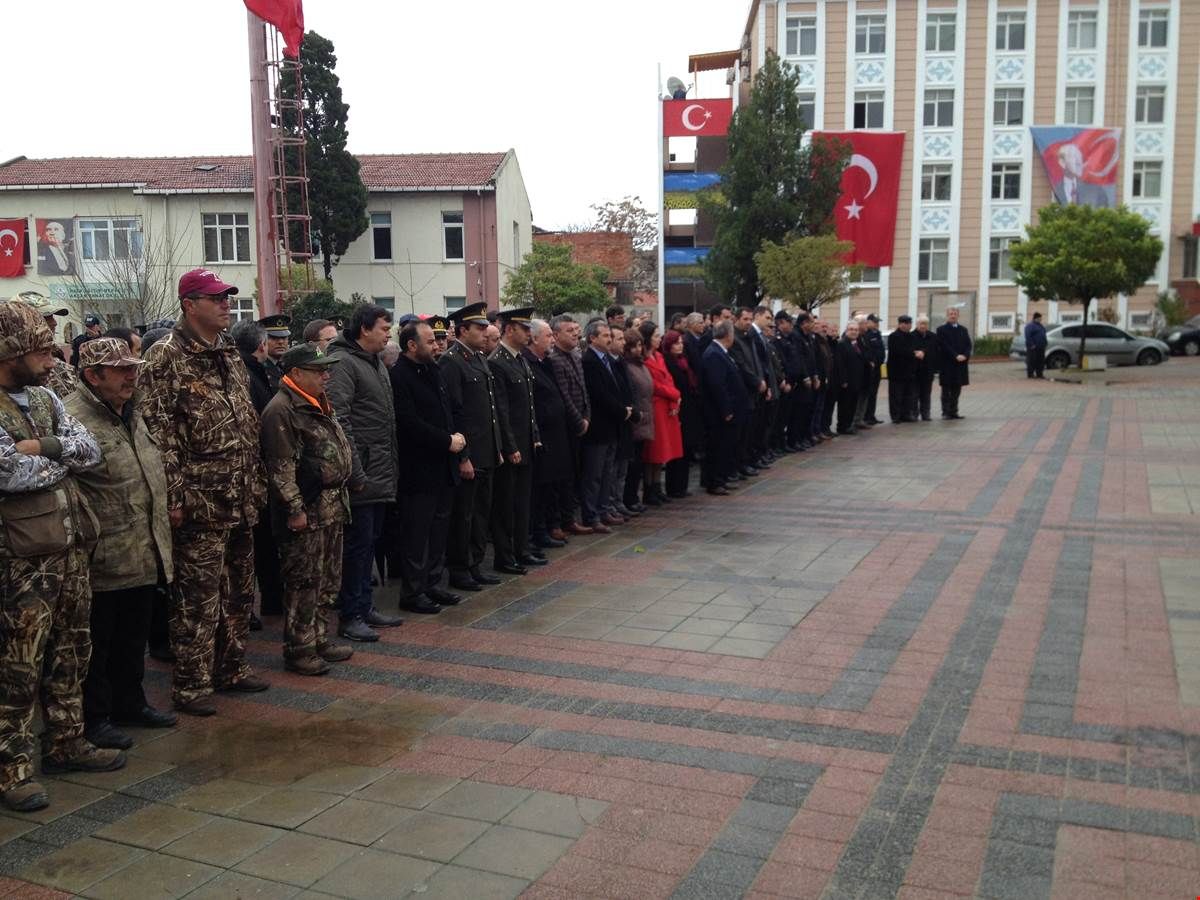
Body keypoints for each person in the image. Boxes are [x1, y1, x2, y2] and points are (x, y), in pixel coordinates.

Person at [0, 302, 119, 813]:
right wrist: (60, 458)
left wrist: (42, 447)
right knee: (17, 665)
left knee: (72, 650)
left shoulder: (46, 396)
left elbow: (90, 450)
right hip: (20, 562)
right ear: (10, 353)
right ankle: (12, 768)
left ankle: (67, 742)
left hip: (70, 551)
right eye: (41, 352)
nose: (52, 361)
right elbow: (7, 473)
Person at [138, 269, 269, 716]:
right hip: (200, 501)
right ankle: (192, 683)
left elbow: (245, 421)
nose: (225, 304)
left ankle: (231, 666)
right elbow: (158, 434)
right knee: (197, 597)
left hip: (240, 494)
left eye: (226, 297)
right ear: (189, 305)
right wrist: (174, 498)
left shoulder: (227, 350)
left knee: (238, 590)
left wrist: (256, 481)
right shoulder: (165, 357)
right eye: (215, 298)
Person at [66, 338, 177, 748]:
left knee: (133, 636)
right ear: (93, 376)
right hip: (102, 553)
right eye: (121, 370)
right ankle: (95, 717)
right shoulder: (72, 418)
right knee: (97, 643)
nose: (132, 376)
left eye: (134, 367)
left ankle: (131, 703)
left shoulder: (132, 410)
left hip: (144, 547)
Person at [260, 342, 355, 675]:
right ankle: (299, 649)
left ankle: (319, 638)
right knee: (304, 583)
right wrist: (295, 509)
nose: (326, 376)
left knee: (327, 579)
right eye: (319, 371)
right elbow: (280, 468)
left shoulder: (318, 401)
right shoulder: (281, 409)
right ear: (296, 373)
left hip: (330, 507)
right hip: (307, 510)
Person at [324, 303, 403, 642]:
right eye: (384, 328)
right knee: (356, 548)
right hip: (362, 474)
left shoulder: (374, 361)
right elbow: (340, 420)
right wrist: (355, 471)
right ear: (364, 329)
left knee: (369, 543)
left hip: (380, 471)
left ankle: (365, 605)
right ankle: (350, 614)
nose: (388, 334)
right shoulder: (343, 362)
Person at [390, 322, 466, 612]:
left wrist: (458, 437)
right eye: (430, 341)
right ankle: (413, 592)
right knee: (417, 535)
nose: (437, 346)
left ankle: (433, 584)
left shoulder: (433, 369)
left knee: (438, 532)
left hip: (444, 465)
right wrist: (446, 440)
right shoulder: (399, 375)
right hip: (419, 470)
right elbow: (409, 422)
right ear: (412, 345)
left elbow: (450, 409)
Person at [441, 303, 505, 592]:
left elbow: (490, 410)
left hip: (486, 450)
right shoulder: (451, 362)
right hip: (469, 453)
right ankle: (460, 568)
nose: (484, 332)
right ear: (462, 330)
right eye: (478, 328)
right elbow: (455, 413)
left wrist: (497, 447)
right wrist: (463, 457)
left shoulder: (479, 359)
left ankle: (475, 564)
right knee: (464, 515)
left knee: (481, 513)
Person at [229, 319, 282, 627]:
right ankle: (247, 607)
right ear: (261, 345)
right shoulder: (246, 375)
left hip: (256, 472)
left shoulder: (256, 371)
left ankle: (268, 600)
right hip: (253, 472)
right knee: (253, 545)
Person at [489, 307, 543, 573]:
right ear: (509, 329)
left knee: (523, 502)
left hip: (525, 443)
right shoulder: (497, 361)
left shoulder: (520, 359)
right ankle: (505, 555)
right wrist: (510, 446)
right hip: (511, 447)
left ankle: (522, 550)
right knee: (506, 504)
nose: (528, 334)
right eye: (524, 329)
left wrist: (535, 436)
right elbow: (501, 410)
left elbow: (529, 405)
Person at [525, 319, 573, 550]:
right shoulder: (528, 363)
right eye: (548, 336)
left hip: (556, 434)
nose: (552, 340)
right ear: (534, 338)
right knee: (540, 489)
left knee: (551, 487)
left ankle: (546, 528)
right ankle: (538, 532)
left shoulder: (545, 363)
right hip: (542, 436)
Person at [579, 319, 628, 533]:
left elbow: (616, 389)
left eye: (610, 336)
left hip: (611, 427)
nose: (610, 339)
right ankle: (591, 515)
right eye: (606, 336)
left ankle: (603, 509)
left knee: (607, 472)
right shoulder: (589, 361)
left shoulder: (608, 359)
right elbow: (599, 395)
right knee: (594, 475)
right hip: (598, 428)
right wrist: (622, 411)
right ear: (592, 338)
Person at [546, 315, 591, 538]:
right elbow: (564, 396)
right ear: (555, 335)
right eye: (569, 330)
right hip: (566, 427)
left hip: (582, 423)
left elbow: (583, 390)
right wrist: (579, 421)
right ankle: (561, 520)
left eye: (575, 330)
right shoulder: (554, 359)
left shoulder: (575, 355)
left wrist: (587, 416)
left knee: (574, 474)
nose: (575, 333)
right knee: (562, 477)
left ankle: (569, 518)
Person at [700, 321, 749, 495]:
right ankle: (715, 482)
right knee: (718, 446)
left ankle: (722, 477)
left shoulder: (721, 352)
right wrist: (726, 409)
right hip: (719, 413)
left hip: (729, 410)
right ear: (728, 335)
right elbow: (717, 385)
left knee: (726, 446)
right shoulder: (714, 354)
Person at [8, 292, 78, 400]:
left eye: (52, 317)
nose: (54, 323)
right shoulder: (14, 368)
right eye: (45, 317)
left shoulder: (56, 358)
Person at [641, 321, 681, 504]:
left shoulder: (659, 356)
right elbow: (655, 385)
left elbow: (668, 379)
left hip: (666, 406)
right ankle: (649, 489)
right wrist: (674, 394)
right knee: (653, 451)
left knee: (663, 451)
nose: (659, 339)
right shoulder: (644, 359)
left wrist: (674, 400)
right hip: (655, 407)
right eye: (656, 336)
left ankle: (657, 487)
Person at [607, 325, 640, 521]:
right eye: (619, 339)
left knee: (622, 468)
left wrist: (633, 409)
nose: (623, 343)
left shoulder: (621, 362)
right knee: (613, 469)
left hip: (627, 420)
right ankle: (611, 504)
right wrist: (623, 410)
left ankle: (618, 503)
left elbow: (630, 389)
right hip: (616, 421)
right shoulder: (609, 364)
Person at [728, 308, 766, 476]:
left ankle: (746, 461)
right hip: (743, 390)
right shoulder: (735, 339)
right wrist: (756, 381)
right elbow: (742, 365)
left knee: (750, 430)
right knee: (741, 433)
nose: (748, 322)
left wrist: (761, 380)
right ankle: (738, 465)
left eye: (750, 319)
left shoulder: (749, 337)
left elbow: (757, 362)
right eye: (745, 319)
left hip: (754, 390)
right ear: (736, 319)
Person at [661, 329, 699, 497]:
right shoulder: (668, 362)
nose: (680, 346)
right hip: (677, 408)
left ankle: (682, 485)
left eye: (681, 343)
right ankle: (674, 487)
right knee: (677, 449)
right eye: (676, 343)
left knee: (686, 448)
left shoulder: (683, 361)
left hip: (689, 408)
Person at [622, 327, 653, 510]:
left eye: (640, 345)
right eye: (634, 346)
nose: (638, 349)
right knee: (631, 464)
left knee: (638, 462)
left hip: (644, 418)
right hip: (634, 419)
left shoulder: (641, 365)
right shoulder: (627, 367)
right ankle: (629, 498)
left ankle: (633, 497)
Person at [936, 306, 972, 419]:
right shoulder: (941, 330)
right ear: (947, 316)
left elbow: (968, 345)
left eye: (955, 314)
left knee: (957, 389)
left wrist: (965, 355)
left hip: (960, 365)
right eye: (951, 314)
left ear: (958, 315)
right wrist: (955, 355)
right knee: (946, 390)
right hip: (947, 364)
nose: (953, 316)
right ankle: (945, 412)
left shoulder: (963, 330)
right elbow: (944, 345)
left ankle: (954, 412)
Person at [835, 320, 866, 436]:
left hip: (856, 380)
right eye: (851, 329)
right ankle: (842, 426)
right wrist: (843, 380)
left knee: (853, 404)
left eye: (856, 330)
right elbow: (840, 364)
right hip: (847, 381)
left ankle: (849, 425)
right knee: (845, 405)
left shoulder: (856, 344)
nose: (854, 332)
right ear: (846, 331)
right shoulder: (842, 344)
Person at [886, 316, 917, 423]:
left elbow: (914, 348)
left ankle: (906, 414)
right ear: (901, 324)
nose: (909, 326)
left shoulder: (911, 336)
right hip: (897, 371)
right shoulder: (894, 336)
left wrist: (916, 352)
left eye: (910, 323)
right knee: (896, 395)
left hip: (909, 370)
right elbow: (899, 351)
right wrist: (913, 353)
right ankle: (896, 416)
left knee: (908, 395)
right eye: (907, 323)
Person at [911, 316, 937, 422]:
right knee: (914, 394)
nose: (923, 326)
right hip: (915, 370)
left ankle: (926, 414)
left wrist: (924, 352)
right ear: (917, 324)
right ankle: (914, 414)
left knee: (926, 394)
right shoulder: (911, 336)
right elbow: (910, 349)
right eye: (921, 323)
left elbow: (934, 349)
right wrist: (916, 353)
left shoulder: (933, 336)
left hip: (928, 369)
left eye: (925, 324)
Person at [861, 315, 886, 426]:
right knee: (869, 393)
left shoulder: (877, 334)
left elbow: (880, 350)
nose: (877, 324)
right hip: (871, 368)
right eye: (875, 322)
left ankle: (871, 415)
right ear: (868, 322)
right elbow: (869, 351)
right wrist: (872, 361)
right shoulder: (867, 335)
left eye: (877, 322)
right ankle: (866, 416)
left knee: (874, 393)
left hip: (878, 368)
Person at [1024, 311, 1047, 379]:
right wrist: (1032, 344)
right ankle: (1030, 374)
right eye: (1039, 318)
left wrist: (1045, 342)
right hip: (1033, 347)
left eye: (1041, 318)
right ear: (1035, 318)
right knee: (1032, 361)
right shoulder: (1030, 326)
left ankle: (1039, 374)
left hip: (1041, 347)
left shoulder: (1040, 326)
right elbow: (1028, 336)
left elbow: (1043, 334)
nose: (1040, 320)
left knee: (1040, 361)